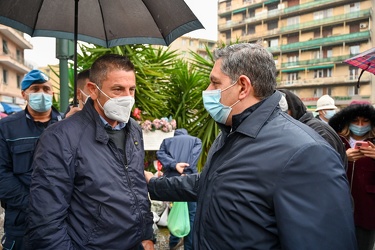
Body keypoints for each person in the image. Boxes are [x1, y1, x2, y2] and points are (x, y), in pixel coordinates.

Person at [145, 43, 357, 249]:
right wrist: (151, 184)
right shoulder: (230, 134)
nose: (207, 90)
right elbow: (208, 184)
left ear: (243, 87)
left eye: (215, 83)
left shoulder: (306, 153)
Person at [25, 54, 154, 249]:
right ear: (93, 90)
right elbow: (46, 220)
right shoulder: (60, 137)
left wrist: (147, 236)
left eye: (131, 89)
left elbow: (137, 188)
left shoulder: (133, 129)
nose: (127, 97)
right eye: (118, 89)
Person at [0, 69, 63, 250]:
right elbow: (2, 175)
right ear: (24, 94)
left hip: (61, 220)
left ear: (52, 93)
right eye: (35, 89)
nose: (41, 93)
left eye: (46, 88)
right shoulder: (6, 128)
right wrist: (34, 205)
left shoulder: (66, 126)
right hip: (22, 223)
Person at [329, 100, 375, 250]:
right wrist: (342, 157)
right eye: (355, 120)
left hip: (368, 209)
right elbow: (323, 167)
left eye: (365, 121)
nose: (360, 125)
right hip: (338, 206)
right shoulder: (336, 140)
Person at [278, 89, 347, 169]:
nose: (279, 115)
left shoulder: (319, 131)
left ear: (293, 109)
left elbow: (326, 170)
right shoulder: (294, 128)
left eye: (283, 110)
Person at [156, 128, 202, 250]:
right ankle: (189, 246)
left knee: (174, 212)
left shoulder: (167, 141)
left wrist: (175, 165)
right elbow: (194, 158)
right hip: (190, 181)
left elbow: (160, 154)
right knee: (192, 214)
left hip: (172, 183)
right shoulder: (196, 141)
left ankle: (173, 243)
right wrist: (186, 172)